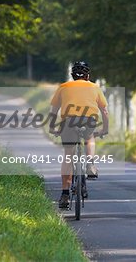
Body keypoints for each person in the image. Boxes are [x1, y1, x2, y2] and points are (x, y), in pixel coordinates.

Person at [49, 61, 109, 209]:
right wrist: (105, 129)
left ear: (72, 76)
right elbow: (104, 111)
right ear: (88, 75)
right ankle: (90, 164)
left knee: (68, 155)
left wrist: (52, 128)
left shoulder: (63, 87)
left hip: (68, 121)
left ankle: (64, 194)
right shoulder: (95, 87)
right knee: (89, 138)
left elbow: (53, 110)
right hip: (89, 120)